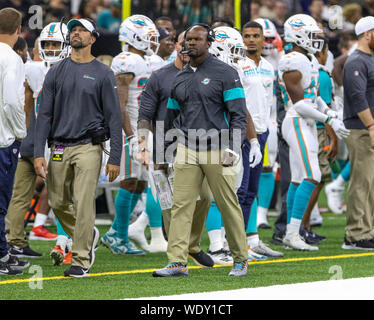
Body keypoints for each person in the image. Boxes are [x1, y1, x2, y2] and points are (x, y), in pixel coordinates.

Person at [152, 24, 249, 277]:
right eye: (188, 39)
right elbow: (169, 116)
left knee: (228, 204)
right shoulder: (181, 76)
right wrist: (163, 153)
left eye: (197, 39)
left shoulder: (226, 73)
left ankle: (240, 258)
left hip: (219, 147)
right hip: (186, 147)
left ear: (210, 42)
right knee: (181, 205)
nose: (191, 43)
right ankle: (177, 262)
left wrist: (234, 147)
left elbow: (238, 114)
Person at [34, 18, 122, 278]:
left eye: (82, 30)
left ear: (93, 38)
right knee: (58, 201)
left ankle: (81, 259)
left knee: (84, 202)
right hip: (59, 145)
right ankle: (86, 233)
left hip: (89, 147)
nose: (76, 33)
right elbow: (45, 115)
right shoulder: (56, 70)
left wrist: (115, 156)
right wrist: (39, 152)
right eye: (73, 29)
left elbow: (114, 117)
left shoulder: (103, 72)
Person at [134, 30, 214, 267]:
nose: (187, 46)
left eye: (193, 42)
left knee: (206, 197)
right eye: (183, 43)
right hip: (165, 143)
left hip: (200, 143)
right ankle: (177, 253)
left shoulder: (207, 73)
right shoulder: (160, 76)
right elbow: (145, 112)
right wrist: (142, 143)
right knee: (170, 203)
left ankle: (191, 244)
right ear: (177, 47)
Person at [278, 14, 349, 251]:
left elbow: (313, 96)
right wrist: (328, 119)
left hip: (305, 121)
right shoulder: (292, 60)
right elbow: (299, 104)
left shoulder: (306, 58)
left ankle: (291, 233)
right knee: (313, 175)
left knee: (300, 178)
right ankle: (293, 233)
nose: (317, 39)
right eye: (312, 35)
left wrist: (330, 110)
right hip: (297, 120)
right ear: (298, 35)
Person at [7, 23, 70, 264]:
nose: (52, 49)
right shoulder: (33, 69)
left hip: (45, 138)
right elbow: (25, 101)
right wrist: (21, 132)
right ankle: (16, 242)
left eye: (56, 44)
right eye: (48, 44)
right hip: (42, 140)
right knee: (25, 195)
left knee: (60, 196)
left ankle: (23, 242)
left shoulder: (35, 69)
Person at [100, 15, 159, 255]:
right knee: (130, 180)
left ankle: (116, 232)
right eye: (149, 36)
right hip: (133, 130)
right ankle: (119, 235)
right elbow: (119, 103)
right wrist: (131, 136)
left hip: (144, 129)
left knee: (141, 182)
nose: (153, 41)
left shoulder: (143, 60)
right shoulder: (126, 61)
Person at [0, 7, 30, 276]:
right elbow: (11, 101)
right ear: (18, 31)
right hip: (2, 141)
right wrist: (20, 131)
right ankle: (1, 256)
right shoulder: (12, 59)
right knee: (0, 203)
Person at [342, 16, 374, 250]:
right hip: (361, 129)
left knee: (370, 183)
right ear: (367, 34)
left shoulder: (369, 60)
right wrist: (371, 126)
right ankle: (355, 235)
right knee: (361, 183)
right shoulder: (356, 61)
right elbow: (357, 96)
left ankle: (367, 229)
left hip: (369, 128)